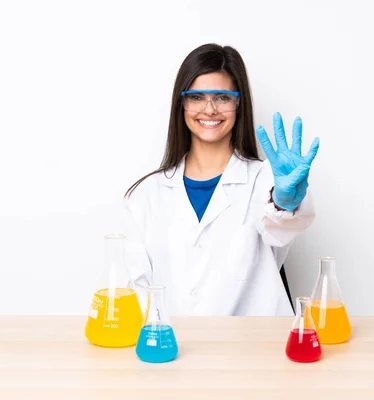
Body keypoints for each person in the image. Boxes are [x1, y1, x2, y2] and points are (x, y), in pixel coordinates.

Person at [121, 43, 320, 316]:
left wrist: (284, 203)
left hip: (253, 351)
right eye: (197, 97)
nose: (210, 109)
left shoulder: (264, 181)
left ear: (239, 103)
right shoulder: (146, 195)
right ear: (182, 104)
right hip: (171, 350)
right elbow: (133, 289)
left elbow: (281, 231)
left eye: (223, 97)